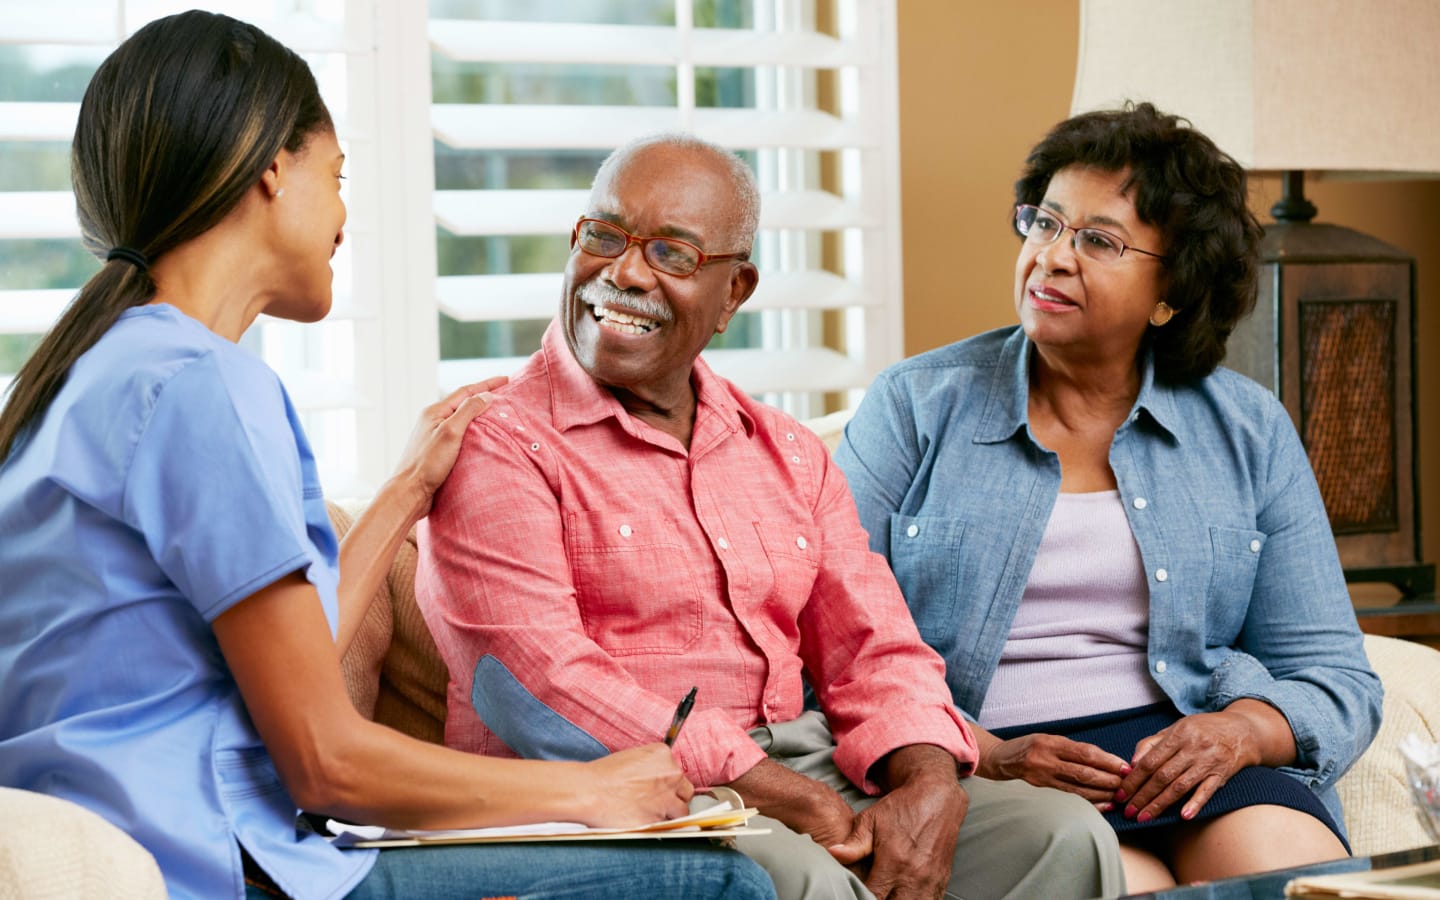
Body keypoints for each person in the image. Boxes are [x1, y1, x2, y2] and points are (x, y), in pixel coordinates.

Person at [0, 13, 777, 900]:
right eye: (337, 176)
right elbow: (326, 761)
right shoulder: (201, 388)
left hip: (139, 833)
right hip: (216, 866)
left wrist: (409, 487)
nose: (341, 214)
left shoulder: (87, 376)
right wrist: (588, 789)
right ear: (271, 170)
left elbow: (286, 672)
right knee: (715, 884)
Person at [415, 131, 1126, 900]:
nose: (622, 273)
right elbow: (538, 686)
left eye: (673, 255)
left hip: (808, 766)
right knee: (805, 879)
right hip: (620, 796)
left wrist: (926, 780)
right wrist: (777, 791)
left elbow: (875, 647)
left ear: (734, 294)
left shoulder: (784, 449)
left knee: (1063, 837)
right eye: (604, 237)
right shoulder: (497, 442)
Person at [832, 102, 1384, 891]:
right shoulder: (915, 407)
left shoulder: (1248, 429)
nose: (1052, 257)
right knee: (1126, 884)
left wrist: (1241, 732)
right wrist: (981, 753)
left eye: (1097, 240)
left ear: (1172, 294)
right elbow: (831, 642)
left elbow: (1334, 673)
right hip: (994, 760)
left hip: (1186, 756)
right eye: (1045, 224)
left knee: (1289, 878)